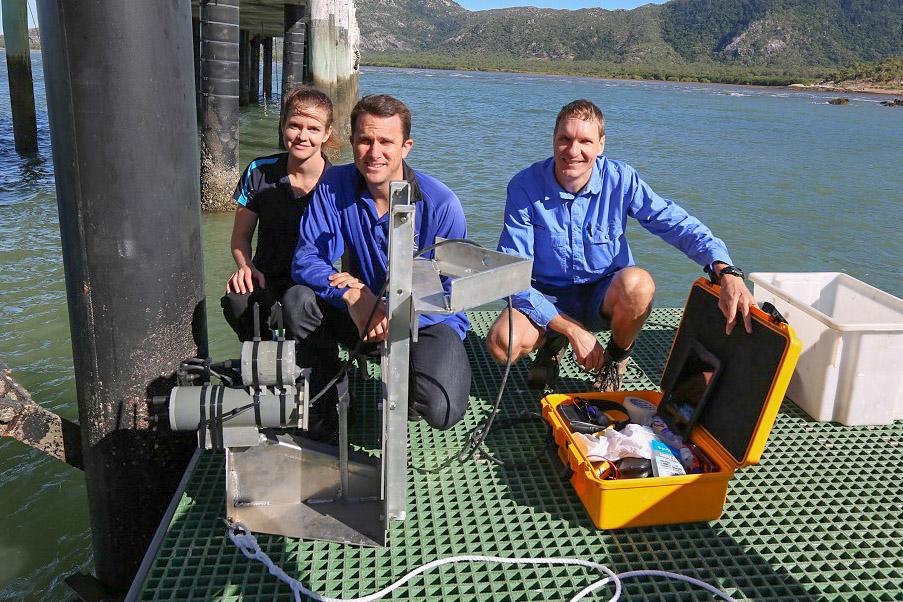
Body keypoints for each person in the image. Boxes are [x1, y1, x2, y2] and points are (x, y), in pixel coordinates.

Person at [487, 99, 755, 391]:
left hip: (602, 296)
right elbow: (513, 278)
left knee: (639, 284)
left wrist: (725, 268)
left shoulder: (621, 179)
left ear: (601, 145)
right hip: (547, 296)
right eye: (564, 139)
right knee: (503, 344)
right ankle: (555, 338)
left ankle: (614, 358)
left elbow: (674, 222)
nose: (573, 151)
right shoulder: (524, 187)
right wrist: (570, 329)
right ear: (553, 139)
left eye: (585, 141)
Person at [285, 94, 472, 432]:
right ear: (352, 141)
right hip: (360, 311)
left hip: (425, 320)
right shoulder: (333, 185)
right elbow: (306, 258)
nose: (374, 153)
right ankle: (328, 397)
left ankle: (416, 386)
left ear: (406, 146)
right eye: (365, 140)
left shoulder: (442, 204)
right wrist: (353, 295)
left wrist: (392, 311)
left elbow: (451, 292)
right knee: (298, 301)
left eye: (386, 141)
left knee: (443, 410)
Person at [220, 86, 335, 341]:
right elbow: (240, 238)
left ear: (327, 133)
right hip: (265, 276)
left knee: (300, 303)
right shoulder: (259, 171)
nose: (302, 136)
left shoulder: (338, 183)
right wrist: (245, 267)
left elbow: (350, 245)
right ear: (283, 125)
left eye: (313, 129)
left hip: (311, 283)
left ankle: (314, 363)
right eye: (295, 125)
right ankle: (260, 358)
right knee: (237, 300)